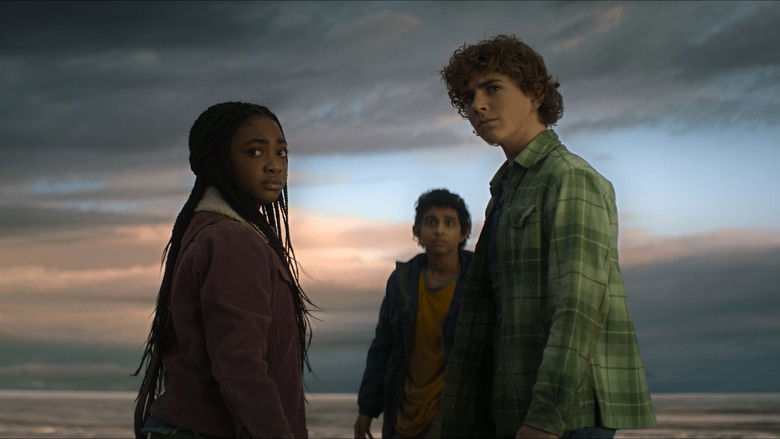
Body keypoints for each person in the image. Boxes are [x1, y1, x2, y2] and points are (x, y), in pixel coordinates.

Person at [437, 35, 656, 439]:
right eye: (468, 97)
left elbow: (578, 307)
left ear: (535, 93)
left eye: (492, 88)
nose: (477, 105)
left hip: (566, 414)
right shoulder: (508, 188)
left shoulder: (570, 177)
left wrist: (545, 418)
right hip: (516, 402)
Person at [133, 102, 313, 439]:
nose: (274, 165)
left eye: (281, 152)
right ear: (219, 161)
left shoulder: (209, 230)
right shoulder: (232, 240)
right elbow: (240, 364)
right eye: (255, 152)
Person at [355, 189, 474, 439]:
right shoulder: (402, 281)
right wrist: (367, 408)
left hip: (456, 414)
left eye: (449, 223)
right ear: (417, 231)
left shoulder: (477, 280)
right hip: (403, 411)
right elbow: (383, 346)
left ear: (463, 232)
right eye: (431, 222)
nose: (439, 230)